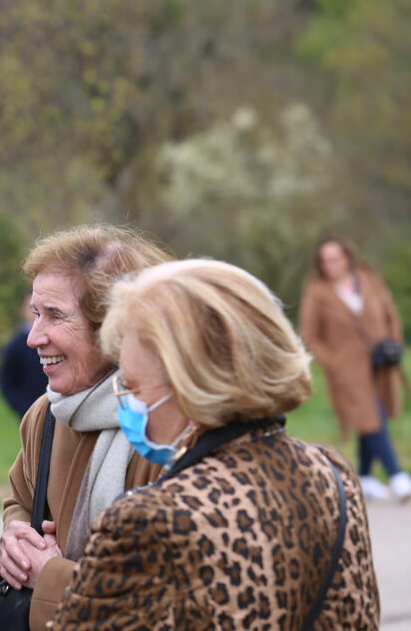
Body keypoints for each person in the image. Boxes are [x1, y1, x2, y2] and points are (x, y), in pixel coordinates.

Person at [52, 259, 380, 628]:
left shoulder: (150, 520)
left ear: (191, 383)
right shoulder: (333, 477)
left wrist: (49, 574)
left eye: (133, 385)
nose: (127, 401)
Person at [0, 224, 170, 630]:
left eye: (55, 315)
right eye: (36, 313)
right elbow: (20, 499)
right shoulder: (45, 415)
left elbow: (168, 596)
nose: (34, 337)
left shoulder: (169, 428)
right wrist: (18, 540)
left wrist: (51, 578)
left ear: (116, 326)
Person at [299, 236, 409, 501]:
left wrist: (394, 342)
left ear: (347, 257)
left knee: (370, 416)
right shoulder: (317, 291)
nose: (330, 264)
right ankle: (396, 475)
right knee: (372, 415)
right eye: (325, 259)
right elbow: (310, 336)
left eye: (335, 257)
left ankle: (366, 477)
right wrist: (334, 363)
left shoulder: (367, 278)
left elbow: (389, 311)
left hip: (380, 362)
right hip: (348, 368)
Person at [0, 289, 45, 418]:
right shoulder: (14, 346)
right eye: (31, 307)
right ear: (23, 309)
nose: (35, 312)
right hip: (31, 415)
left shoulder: (57, 339)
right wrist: (26, 409)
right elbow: (7, 384)